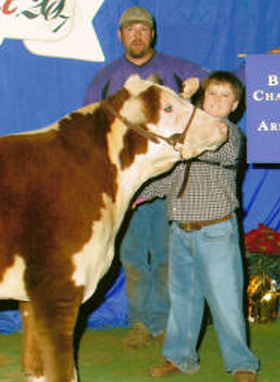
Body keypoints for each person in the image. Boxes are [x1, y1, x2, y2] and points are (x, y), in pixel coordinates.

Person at [84, 6, 207, 349]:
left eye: (143, 29)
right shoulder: (105, 78)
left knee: (170, 258)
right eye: (130, 30)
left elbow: (222, 88)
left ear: (152, 34)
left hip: (171, 184)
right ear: (121, 35)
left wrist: (261, 66)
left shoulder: (179, 70)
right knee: (135, 259)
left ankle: (166, 322)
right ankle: (139, 323)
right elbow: (92, 132)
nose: (137, 35)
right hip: (129, 189)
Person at [141, 71, 259, 382]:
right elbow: (168, 178)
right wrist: (136, 195)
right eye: (212, 95)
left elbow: (211, 147)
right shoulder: (189, 134)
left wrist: (185, 100)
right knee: (182, 300)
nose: (217, 101)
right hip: (181, 229)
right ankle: (179, 357)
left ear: (234, 105)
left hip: (216, 231)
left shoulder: (228, 133)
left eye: (224, 96)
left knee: (226, 301)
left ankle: (241, 363)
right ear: (205, 99)